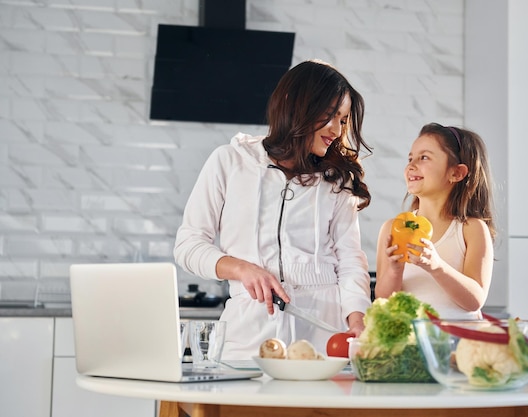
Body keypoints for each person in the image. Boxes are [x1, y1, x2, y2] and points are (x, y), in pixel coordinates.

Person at [173, 59, 373, 359]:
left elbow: (350, 259)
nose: (336, 129)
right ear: (294, 104)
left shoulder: (337, 179)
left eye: (343, 120)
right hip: (248, 334)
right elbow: (188, 246)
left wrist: (357, 319)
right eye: (330, 115)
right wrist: (242, 268)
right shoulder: (230, 162)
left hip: (323, 334)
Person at [375, 122, 496, 319]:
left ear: (456, 173)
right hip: (409, 343)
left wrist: (437, 266)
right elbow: (383, 298)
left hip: (458, 342)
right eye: (410, 158)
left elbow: (475, 300)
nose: (411, 165)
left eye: (424, 157)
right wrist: (395, 271)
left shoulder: (471, 229)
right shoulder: (391, 228)